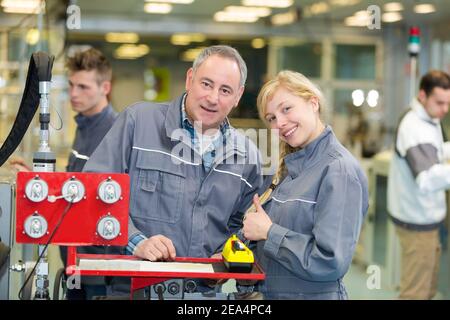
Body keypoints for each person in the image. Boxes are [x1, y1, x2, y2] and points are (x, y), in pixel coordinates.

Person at [83, 45, 263, 296]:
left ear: (238, 96)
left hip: (202, 295)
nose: (213, 98)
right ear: (190, 79)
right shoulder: (138, 123)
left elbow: (243, 227)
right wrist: (137, 242)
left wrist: (226, 255)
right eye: (206, 84)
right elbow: (94, 192)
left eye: (225, 90)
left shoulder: (248, 157)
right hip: (133, 290)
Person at [242, 70, 368, 300]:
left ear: (313, 103)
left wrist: (269, 233)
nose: (279, 122)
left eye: (286, 109)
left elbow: (329, 261)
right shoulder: (291, 169)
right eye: (271, 118)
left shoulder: (339, 171)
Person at [11, 48, 117, 300]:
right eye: (71, 85)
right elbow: (78, 184)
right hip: (73, 257)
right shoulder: (84, 125)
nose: (74, 94)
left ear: (105, 88)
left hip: (98, 265)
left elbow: (102, 199)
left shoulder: (114, 131)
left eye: (83, 87)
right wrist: (42, 180)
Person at [387, 70, 450, 300]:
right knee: (416, 293)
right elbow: (426, 178)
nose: (445, 109)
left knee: (427, 288)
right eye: (440, 102)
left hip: (426, 220)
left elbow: (434, 152)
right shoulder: (414, 127)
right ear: (422, 95)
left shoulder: (427, 118)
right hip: (416, 223)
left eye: (448, 103)